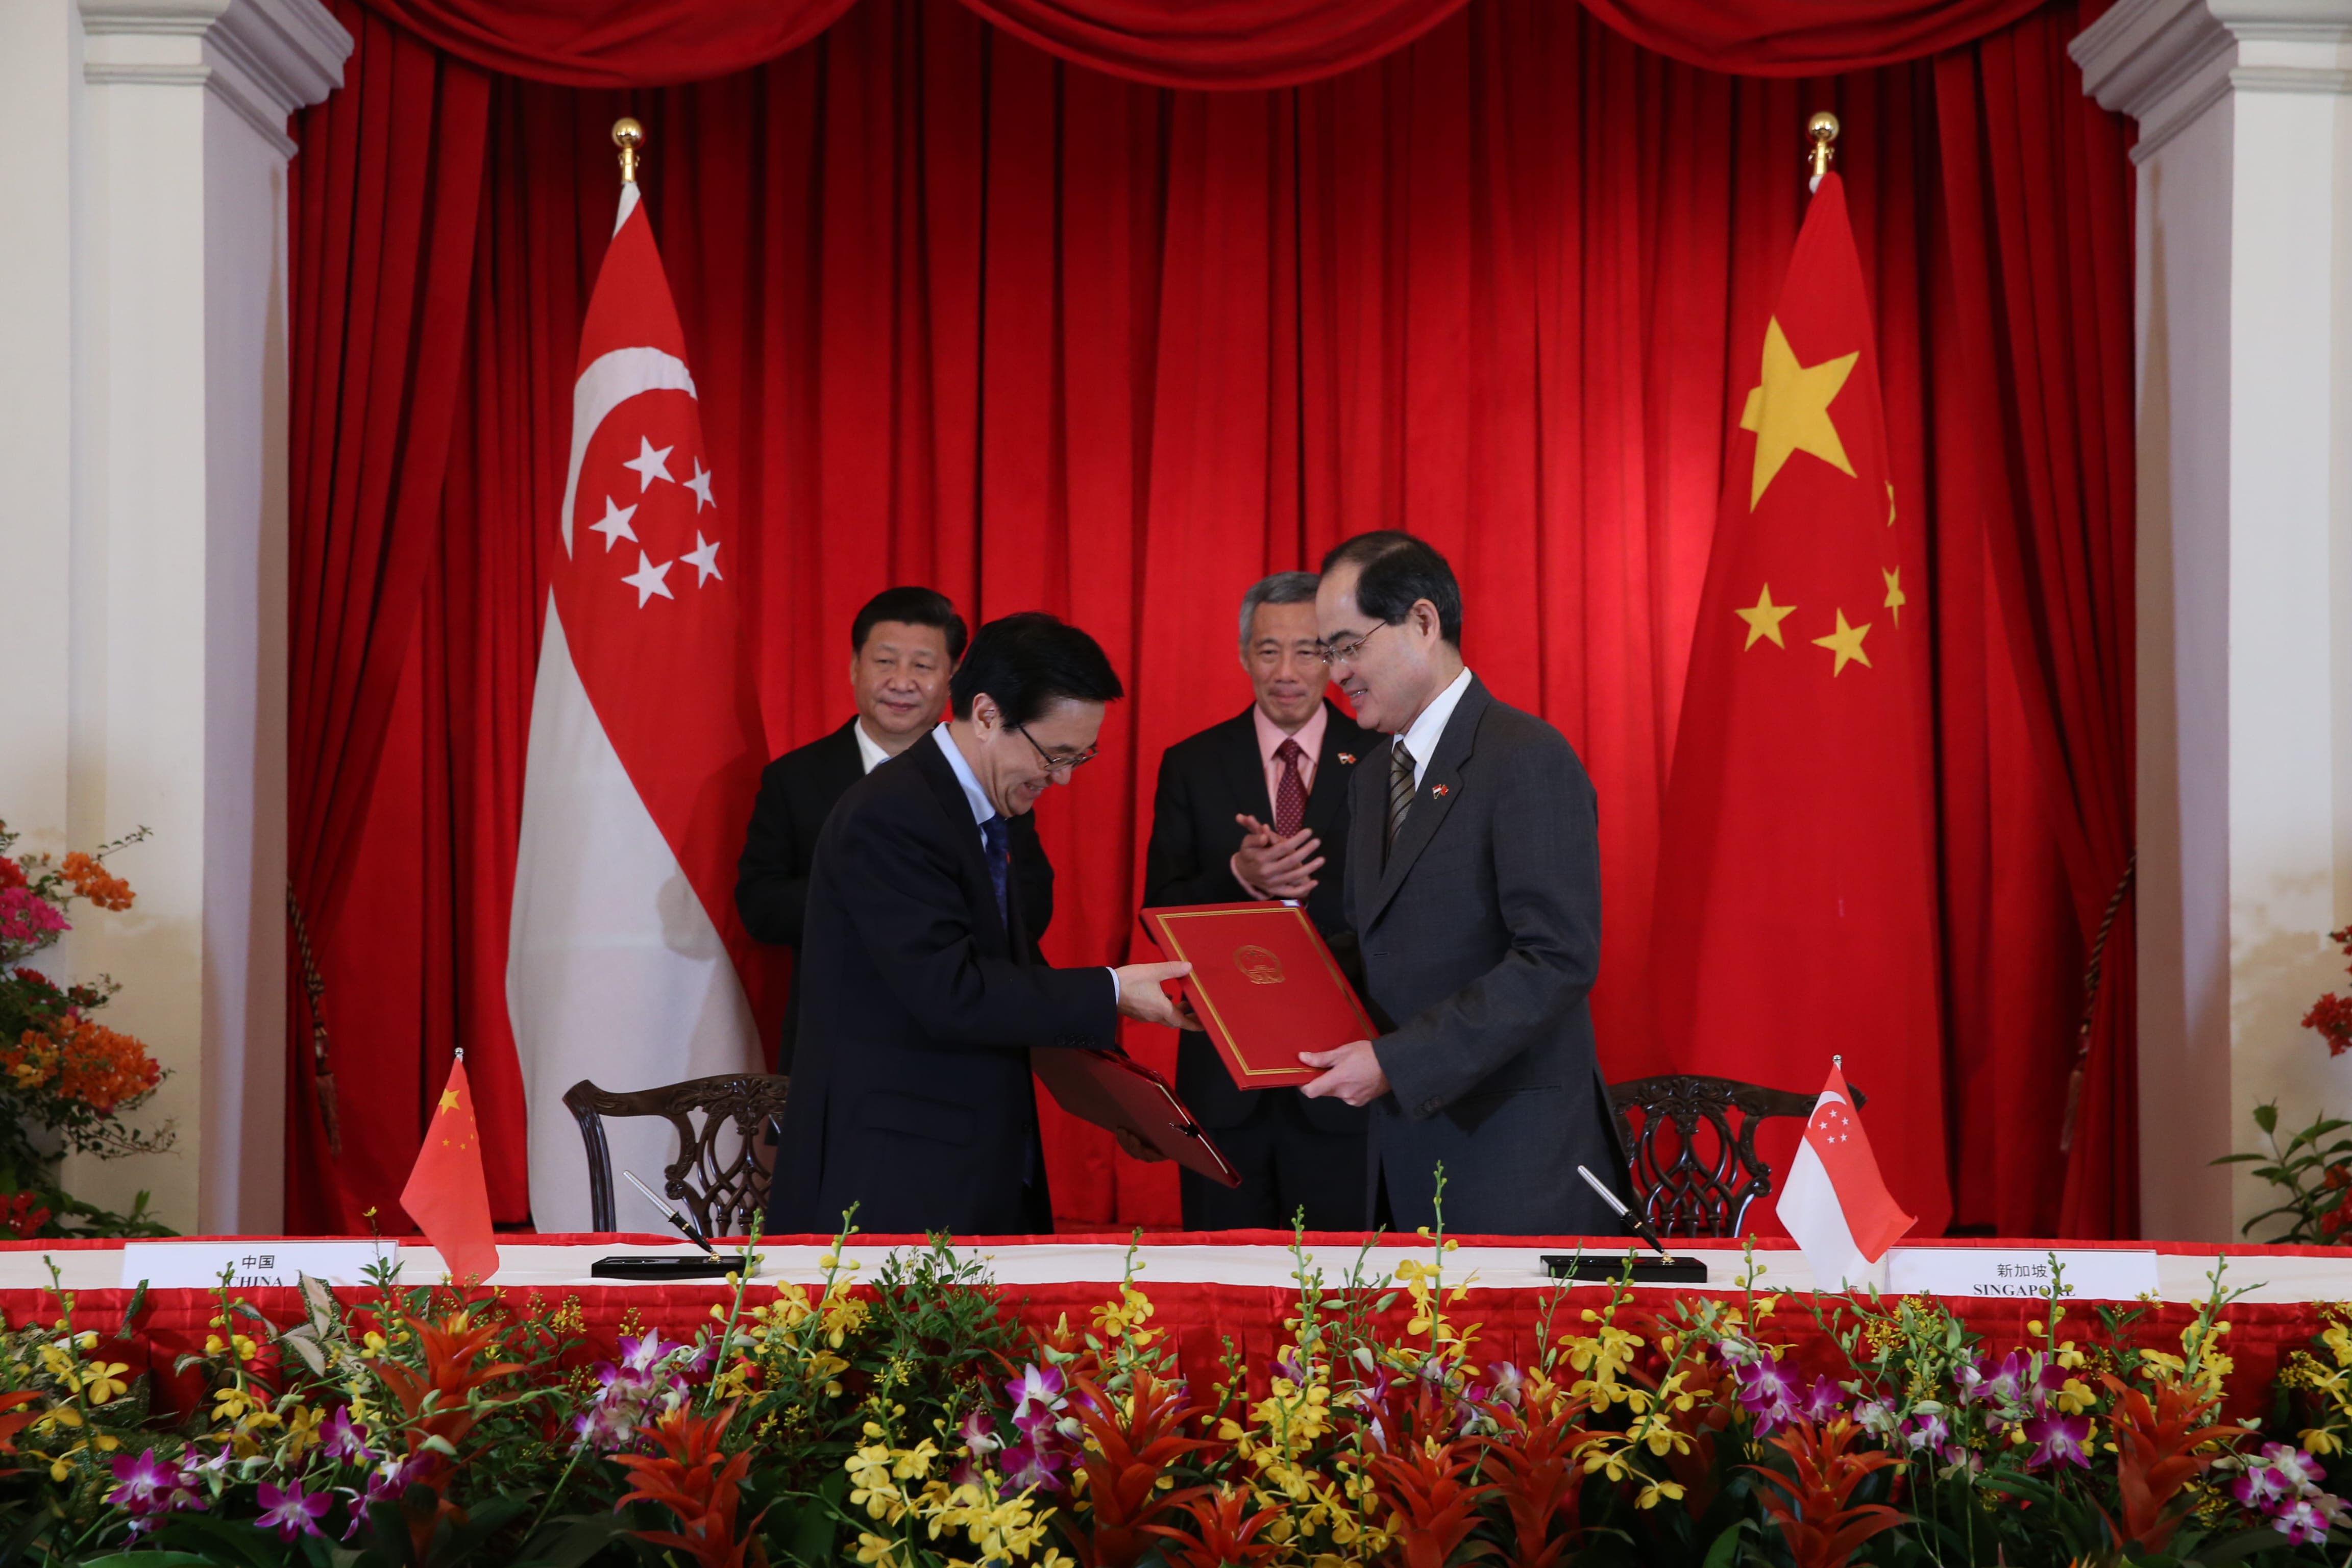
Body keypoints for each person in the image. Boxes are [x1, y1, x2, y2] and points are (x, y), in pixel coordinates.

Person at [769, 611, 1197, 1237]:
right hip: (897, 1173)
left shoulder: (993, 808)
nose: (1064, 778)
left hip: (975, 1154)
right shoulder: (892, 815)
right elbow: (954, 993)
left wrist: (1120, 1104)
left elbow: (1015, 976)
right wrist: (1111, 990)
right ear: (989, 715)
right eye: (1056, 754)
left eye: (1083, 756)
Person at [1297, 531, 1630, 1235]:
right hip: (1403, 1160)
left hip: (1514, 1164)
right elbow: (1375, 944)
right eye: (1329, 652)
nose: (1337, 673)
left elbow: (1558, 958)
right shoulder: (1369, 780)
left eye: (1349, 646)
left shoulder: (1526, 757)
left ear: (1423, 622)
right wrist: (1257, 988)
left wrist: (1397, 1062)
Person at [1142, 571, 1377, 1231]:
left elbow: (1406, 913)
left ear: (1334, 658)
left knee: (1344, 1297)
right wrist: (1240, 878)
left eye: (1309, 651)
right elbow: (1158, 908)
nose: (1287, 670)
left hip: (1345, 1071)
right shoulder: (1192, 762)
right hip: (1225, 1080)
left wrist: (1302, 890)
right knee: (1222, 1292)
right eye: (1268, 650)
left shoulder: (1384, 760)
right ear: (1244, 653)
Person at [735, 587, 1051, 1068]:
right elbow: (760, 906)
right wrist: (881, 891)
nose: (901, 682)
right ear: (854, 668)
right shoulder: (795, 778)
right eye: (885, 661)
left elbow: (1032, 904)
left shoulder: (990, 779)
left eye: (922, 666)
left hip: (961, 1043)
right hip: (834, 1039)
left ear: (952, 680)